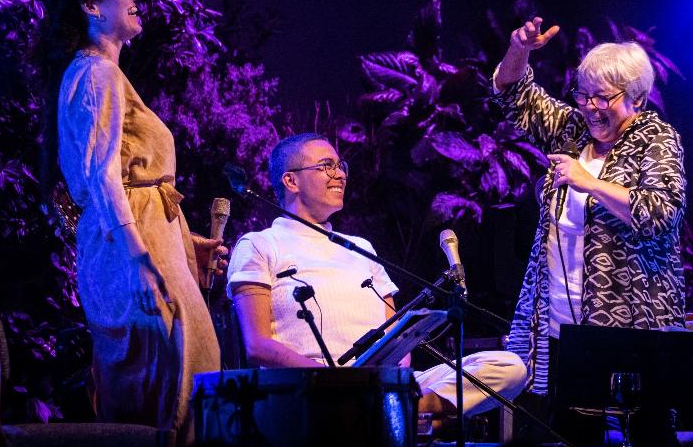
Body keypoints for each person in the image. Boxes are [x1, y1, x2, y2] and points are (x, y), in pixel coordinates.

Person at [37, 0, 223, 441]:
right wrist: (141, 258)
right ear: (91, 5)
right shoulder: (98, 75)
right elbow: (103, 179)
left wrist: (183, 241)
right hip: (132, 248)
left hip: (142, 239)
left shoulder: (96, 74)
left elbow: (132, 182)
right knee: (179, 385)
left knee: (176, 383)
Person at [226, 133, 528, 423]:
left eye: (340, 166)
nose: (340, 174)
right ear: (291, 180)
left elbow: (397, 334)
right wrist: (334, 379)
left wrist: (395, 374)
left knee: (509, 368)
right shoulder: (260, 244)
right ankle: (405, 418)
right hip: (310, 390)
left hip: (380, 385)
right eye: (326, 166)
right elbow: (257, 345)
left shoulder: (361, 248)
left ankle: (401, 410)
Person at [491, 18, 687, 445]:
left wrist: (590, 181)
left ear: (636, 96)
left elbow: (661, 212)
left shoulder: (656, 139)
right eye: (584, 95)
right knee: (570, 435)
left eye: (604, 97)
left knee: (645, 434)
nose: (591, 106)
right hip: (560, 319)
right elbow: (513, 93)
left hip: (633, 323)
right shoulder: (573, 128)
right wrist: (519, 49)